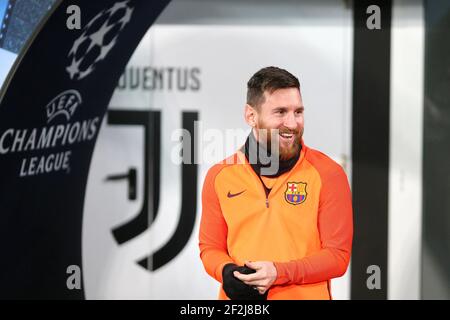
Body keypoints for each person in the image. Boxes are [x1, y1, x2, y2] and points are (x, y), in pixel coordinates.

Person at [198, 66, 353, 300]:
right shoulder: (220, 176)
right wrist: (226, 271)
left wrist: (279, 272)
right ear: (251, 116)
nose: (292, 123)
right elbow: (210, 248)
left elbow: (337, 257)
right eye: (280, 112)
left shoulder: (328, 174)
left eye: (298, 112)